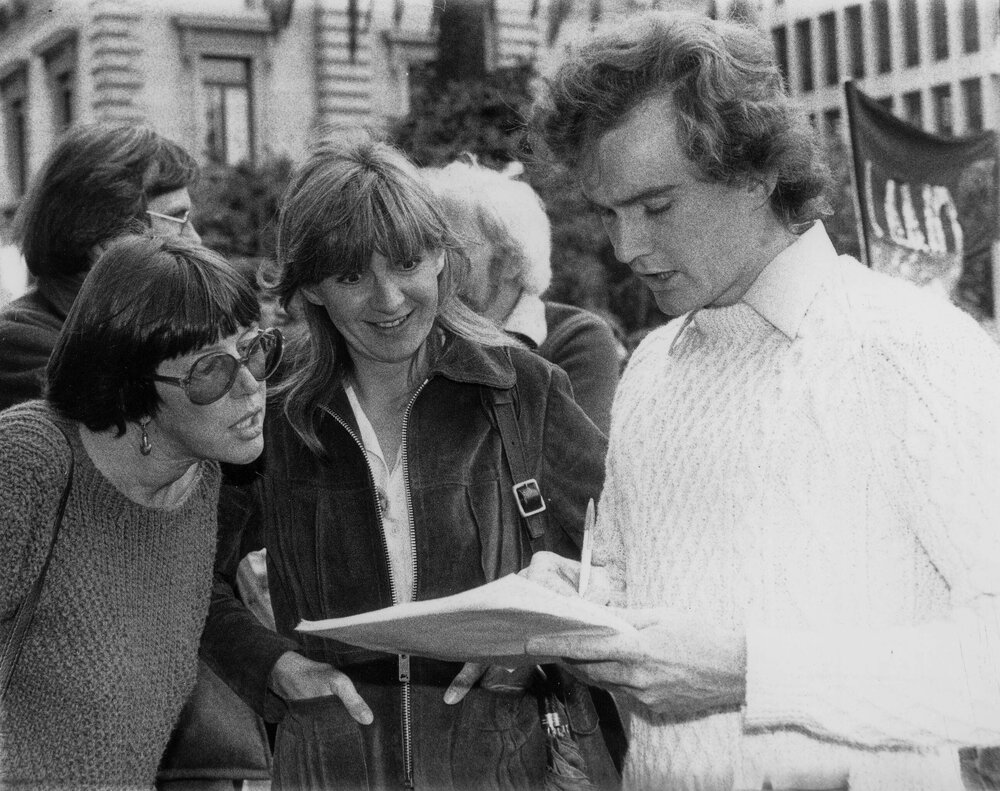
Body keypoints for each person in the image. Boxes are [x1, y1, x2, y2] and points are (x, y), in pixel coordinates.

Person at [519, 10, 1000, 791]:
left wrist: (752, 671)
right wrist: (577, 605)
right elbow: (660, 610)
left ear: (756, 172)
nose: (627, 247)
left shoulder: (913, 348)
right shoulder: (650, 369)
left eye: (657, 206)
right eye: (608, 212)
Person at [200, 130, 616, 790]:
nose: (389, 298)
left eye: (406, 263)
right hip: (328, 771)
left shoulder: (520, 390)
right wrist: (273, 667)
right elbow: (194, 576)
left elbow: (623, 553)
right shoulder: (275, 411)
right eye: (351, 276)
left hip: (499, 771)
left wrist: (538, 642)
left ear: (441, 259)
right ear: (313, 290)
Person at [0, 234, 282, 787]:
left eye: (254, 350)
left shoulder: (199, 477)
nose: (251, 386)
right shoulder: (31, 460)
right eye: (212, 371)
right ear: (134, 388)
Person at [0, 122, 200, 412]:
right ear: (107, 235)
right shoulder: (24, 343)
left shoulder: (140, 322)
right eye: (178, 218)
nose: (195, 239)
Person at [424, 158, 622, 432]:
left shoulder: (574, 339)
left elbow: (570, 457)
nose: (435, 263)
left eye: (452, 248)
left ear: (511, 262)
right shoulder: (421, 335)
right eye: (428, 247)